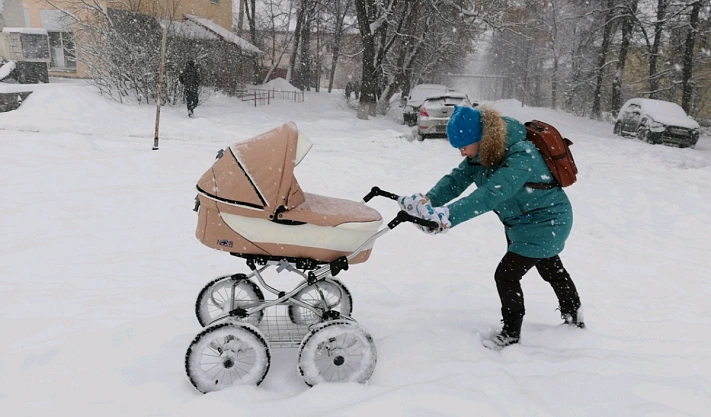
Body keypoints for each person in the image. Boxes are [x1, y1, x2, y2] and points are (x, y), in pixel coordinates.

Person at [399, 105, 584, 350]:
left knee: (507, 275)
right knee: (550, 267)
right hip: (521, 223)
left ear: (479, 139)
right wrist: (427, 202)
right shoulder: (482, 153)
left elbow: (491, 194)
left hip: (546, 220)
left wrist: (447, 217)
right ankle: (574, 317)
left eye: (463, 146)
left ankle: (510, 333)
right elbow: (455, 181)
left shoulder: (522, 154)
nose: (462, 153)